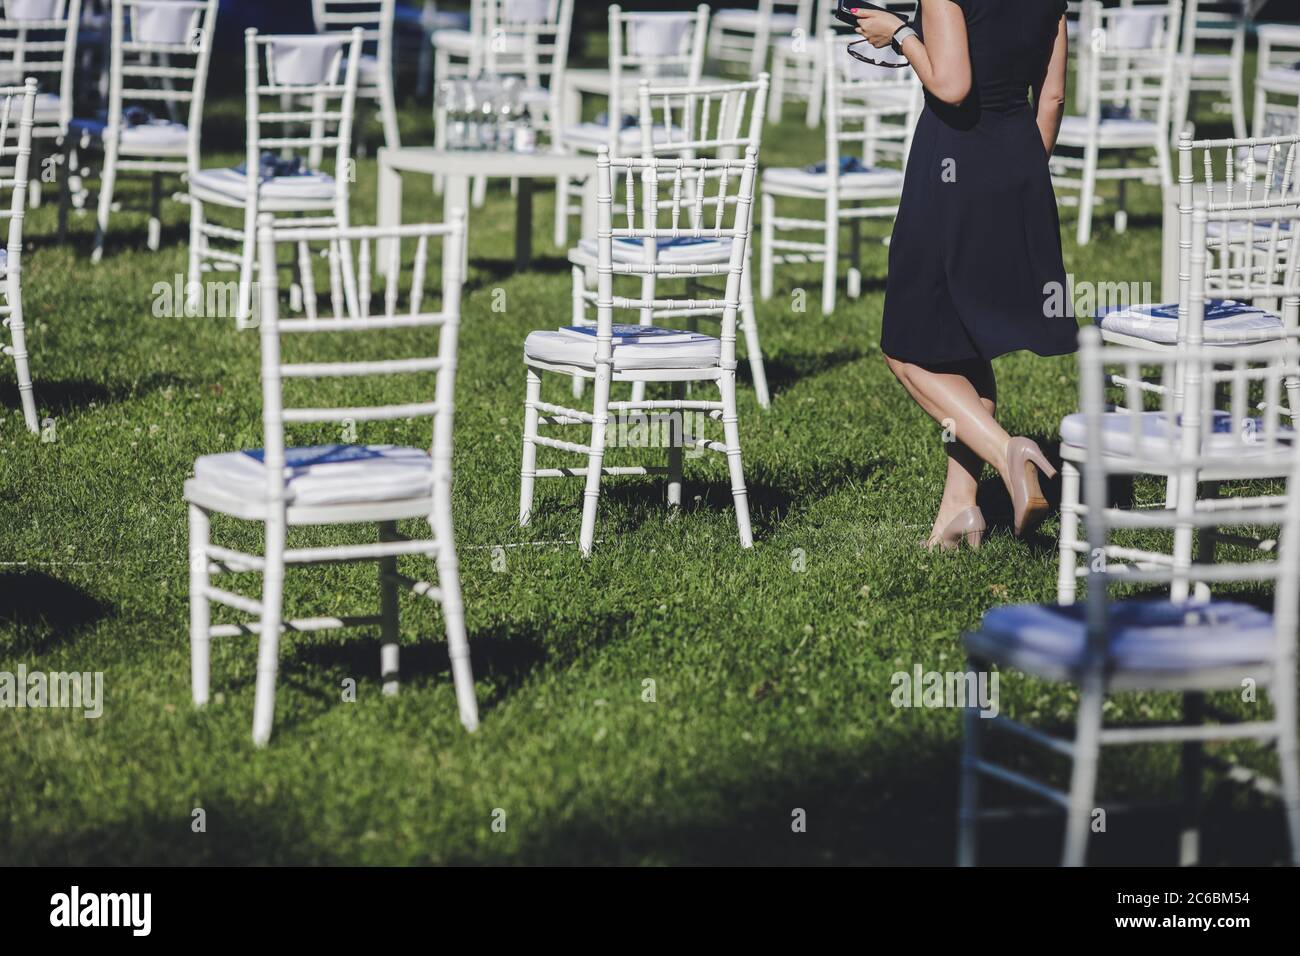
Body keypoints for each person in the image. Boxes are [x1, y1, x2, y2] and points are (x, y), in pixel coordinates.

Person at [852, 0, 1076, 550]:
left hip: (950, 166)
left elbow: (951, 86)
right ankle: (960, 509)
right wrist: (1016, 173)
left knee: (904, 348)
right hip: (1019, 164)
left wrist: (900, 33)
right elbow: (1052, 97)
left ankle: (1009, 455)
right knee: (965, 344)